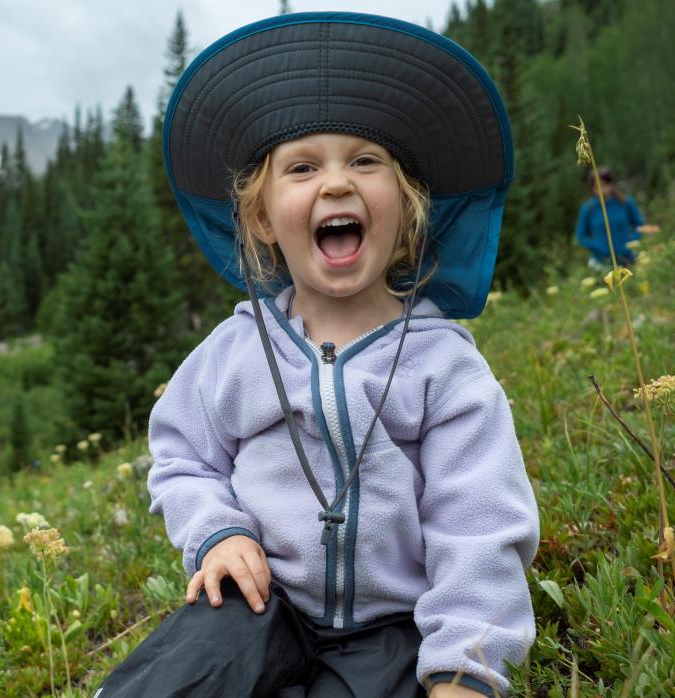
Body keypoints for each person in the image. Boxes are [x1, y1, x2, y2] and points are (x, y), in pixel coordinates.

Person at [96, 13, 539, 698]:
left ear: (407, 211)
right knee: (183, 677)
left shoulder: (442, 368)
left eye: (365, 161)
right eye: (302, 167)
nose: (335, 184)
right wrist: (217, 533)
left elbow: (477, 526)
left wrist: (465, 666)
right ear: (262, 220)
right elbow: (183, 457)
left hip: (392, 626)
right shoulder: (234, 351)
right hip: (256, 605)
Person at [574, 167, 657, 269]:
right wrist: (599, 247)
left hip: (628, 258)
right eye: (597, 186)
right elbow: (581, 236)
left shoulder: (626, 203)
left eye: (605, 184)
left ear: (612, 184)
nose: (602, 189)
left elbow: (640, 225)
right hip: (601, 261)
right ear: (592, 188)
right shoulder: (587, 209)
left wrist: (631, 241)